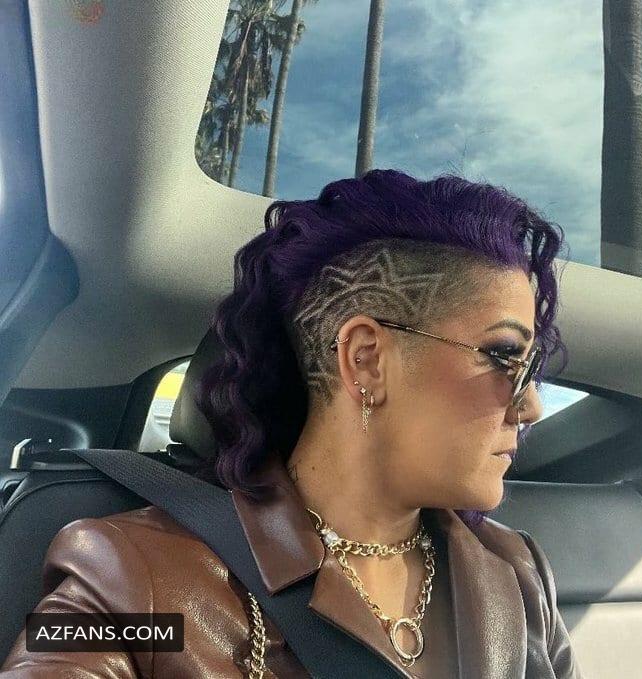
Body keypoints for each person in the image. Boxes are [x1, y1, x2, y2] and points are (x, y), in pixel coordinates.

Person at [1, 169, 584, 678]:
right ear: (366, 360)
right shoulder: (129, 576)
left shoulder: (515, 573)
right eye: (505, 357)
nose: (531, 407)